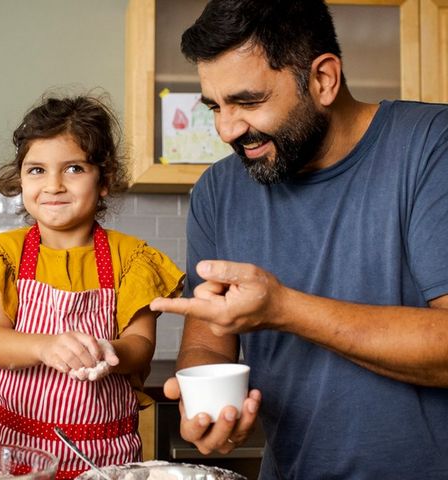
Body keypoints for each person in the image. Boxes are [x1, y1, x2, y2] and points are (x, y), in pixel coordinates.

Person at [149, 0, 448, 478]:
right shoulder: (219, 191)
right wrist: (206, 406)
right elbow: (209, 339)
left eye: (247, 102)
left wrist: (284, 309)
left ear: (323, 79)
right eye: (215, 106)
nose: (228, 129)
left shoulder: (433, 146)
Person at [0, 93, 184, 479]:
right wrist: (45, 346)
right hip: (16, 451)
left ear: (104, 180)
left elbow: (140, 348)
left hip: (107, 456)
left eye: (73, 168)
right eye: (36, 170)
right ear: (20, 177)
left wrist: (109, 351)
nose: (53, 185)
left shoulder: (133, 259)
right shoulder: (1, 255)